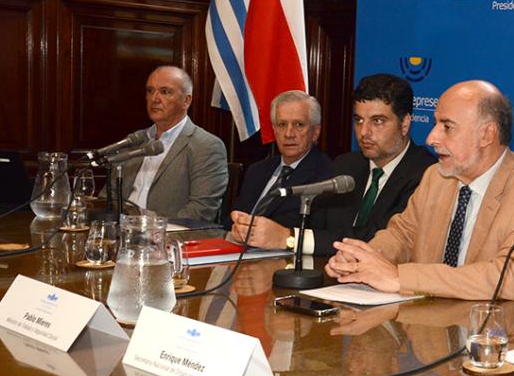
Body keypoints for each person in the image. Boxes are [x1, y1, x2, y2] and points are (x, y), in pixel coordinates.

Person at [325, 80, 514, 303]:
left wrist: (399, 277)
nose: (431, 138)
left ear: (486, 135)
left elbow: (509, 279)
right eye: (435, 124)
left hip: (498, 336)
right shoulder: (436, 177)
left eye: (447, 127)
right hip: (428, 328)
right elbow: (402, 235)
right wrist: (362, 260)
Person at [247, 73, 436, 254]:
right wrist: (257, 228)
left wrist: (289, 238)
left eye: (377, 121)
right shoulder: (347, 164)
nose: (364, 132)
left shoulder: (426, 173)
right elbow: (315, 220)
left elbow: (379, 238)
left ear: (404, 124)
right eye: (359, 120)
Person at [118, 65, 228, 222]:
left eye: (165, 92)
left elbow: (201, 211)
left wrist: (152, 229)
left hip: (169, 238)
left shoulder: (206, 146)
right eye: (150, 91)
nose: (155, 99)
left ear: (186, 100)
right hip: (122, 234)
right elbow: (109, 197)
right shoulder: (135, 141)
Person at [229, 91, 333, 244]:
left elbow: (317, 232)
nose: (289, 134)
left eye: (299, 125)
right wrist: (236, 227)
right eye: (282, 125)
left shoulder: (327, 174)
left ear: (315, 132)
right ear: (274, 130)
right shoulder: (257, 170)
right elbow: (232, 220)